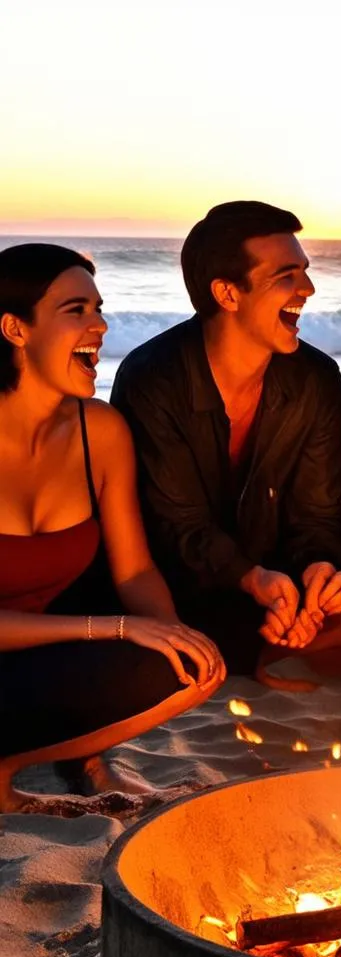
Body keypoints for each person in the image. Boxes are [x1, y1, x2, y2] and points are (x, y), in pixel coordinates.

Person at [111, 202, 341, 680]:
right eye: (286, 275)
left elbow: (318, 513)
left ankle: (271, 655)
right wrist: (251, 578)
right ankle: (252, 659)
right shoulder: (152, 379)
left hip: (274, 585)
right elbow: (177, 527)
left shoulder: (316, 379)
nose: (308, 289)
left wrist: (319, 571)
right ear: (227, 293)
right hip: (174, 594)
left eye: (305, 271)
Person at [0, 244, 226, 813]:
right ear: (14, 328)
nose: (100, 326)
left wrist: (172, 636)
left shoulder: (99, 430)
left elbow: (135, 568)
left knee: (184, 667)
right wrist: (117, 628)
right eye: (76, 310)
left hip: (34, 663)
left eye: (99, 309)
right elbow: (111, 621)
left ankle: (18, 767)